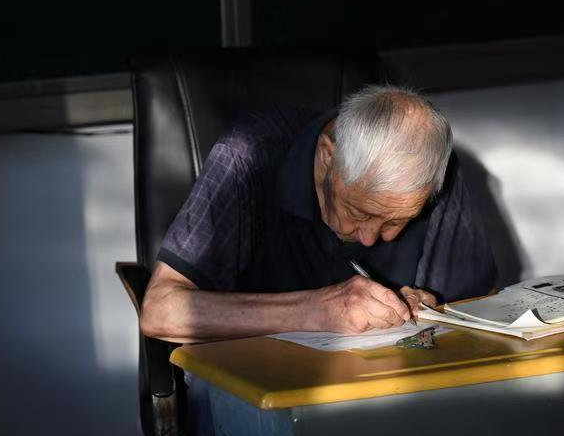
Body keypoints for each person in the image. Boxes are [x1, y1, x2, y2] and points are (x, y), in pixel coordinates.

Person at [140, 85, 496, 344]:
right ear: (328, 156)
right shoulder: (247, 156)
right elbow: (160, 311)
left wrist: (431, 309)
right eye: (357, 211)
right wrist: (314, 310)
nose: (370, 238)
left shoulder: (437, 176)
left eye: (396, 221)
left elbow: (478, 312)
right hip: (256, 384)